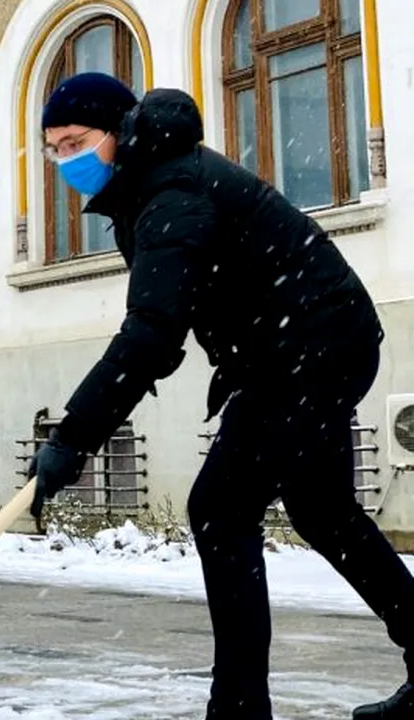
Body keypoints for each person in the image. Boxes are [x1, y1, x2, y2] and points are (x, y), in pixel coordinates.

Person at [26, 72, 414, 719]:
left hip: (309, 350)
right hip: (319, 343)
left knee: (220, 511)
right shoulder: (155, 181)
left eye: (75, 140)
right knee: (323, 513)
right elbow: (177, 319)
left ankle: (237, 707)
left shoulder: (171, 194)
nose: (65, 159)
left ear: (120, 133)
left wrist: (73, 437)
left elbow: (152, 333)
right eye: (53, 147)